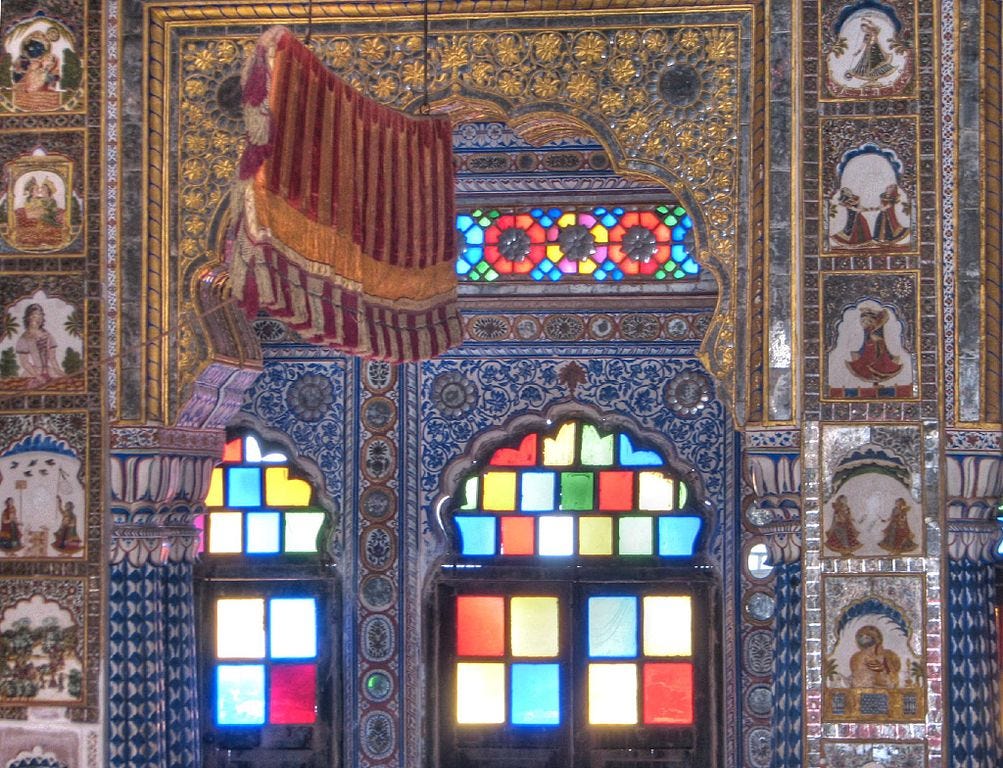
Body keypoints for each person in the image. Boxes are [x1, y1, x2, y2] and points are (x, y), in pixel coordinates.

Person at [845, 306, 903, 384]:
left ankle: (876, 376)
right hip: (868, 349)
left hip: (876, 351)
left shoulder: (876, 329)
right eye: (863, 321)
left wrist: (876, 340)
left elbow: (878, 339)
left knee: (877, 362)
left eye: (866, 321)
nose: (864, 323)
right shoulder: (868, 330)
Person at [14, 303, 64, 386]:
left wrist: (60, 372)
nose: (39, 317)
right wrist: (38, 377)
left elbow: (53, 358)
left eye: (40, 314)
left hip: (50, 371)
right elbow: (24, 362)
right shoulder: (24, 338)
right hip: (33, 373)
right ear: (29, 317)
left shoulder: (47, 334)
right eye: (35, 315)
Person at [846, 17, 896, 82]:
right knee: (867, 63)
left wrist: (867, 20)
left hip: (877, 50)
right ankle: (871, 77)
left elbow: (876, 26)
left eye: (864, 28)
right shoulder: (866, 36)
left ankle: (876, 76)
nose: (864, 30)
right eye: (862, 29)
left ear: (867, 27)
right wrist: (858, 52)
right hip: (868, 51)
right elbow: (863, 44)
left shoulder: (874, 31)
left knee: (878, 62)